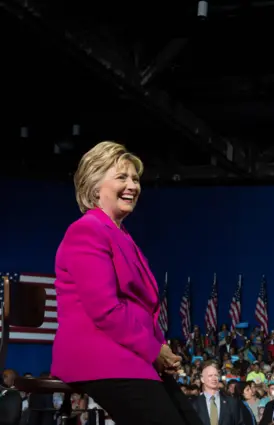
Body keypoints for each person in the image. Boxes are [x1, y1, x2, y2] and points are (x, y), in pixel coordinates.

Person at [51, 141, 201, 425]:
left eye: (135, 178)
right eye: (122, 177)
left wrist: (161, 351)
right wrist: (154, 350)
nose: (132, 185)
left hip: (130, 355)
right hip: (99, 356)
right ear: (95, 186)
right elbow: (105, 309)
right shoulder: (86, 231)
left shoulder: (121, 236)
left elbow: (141, 308)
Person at [192, 361, 245, 425]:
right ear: (202, 379)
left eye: (216, 375)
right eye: (210, 375)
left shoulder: (232, 402)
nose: (214, 378)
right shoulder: (194, 404)